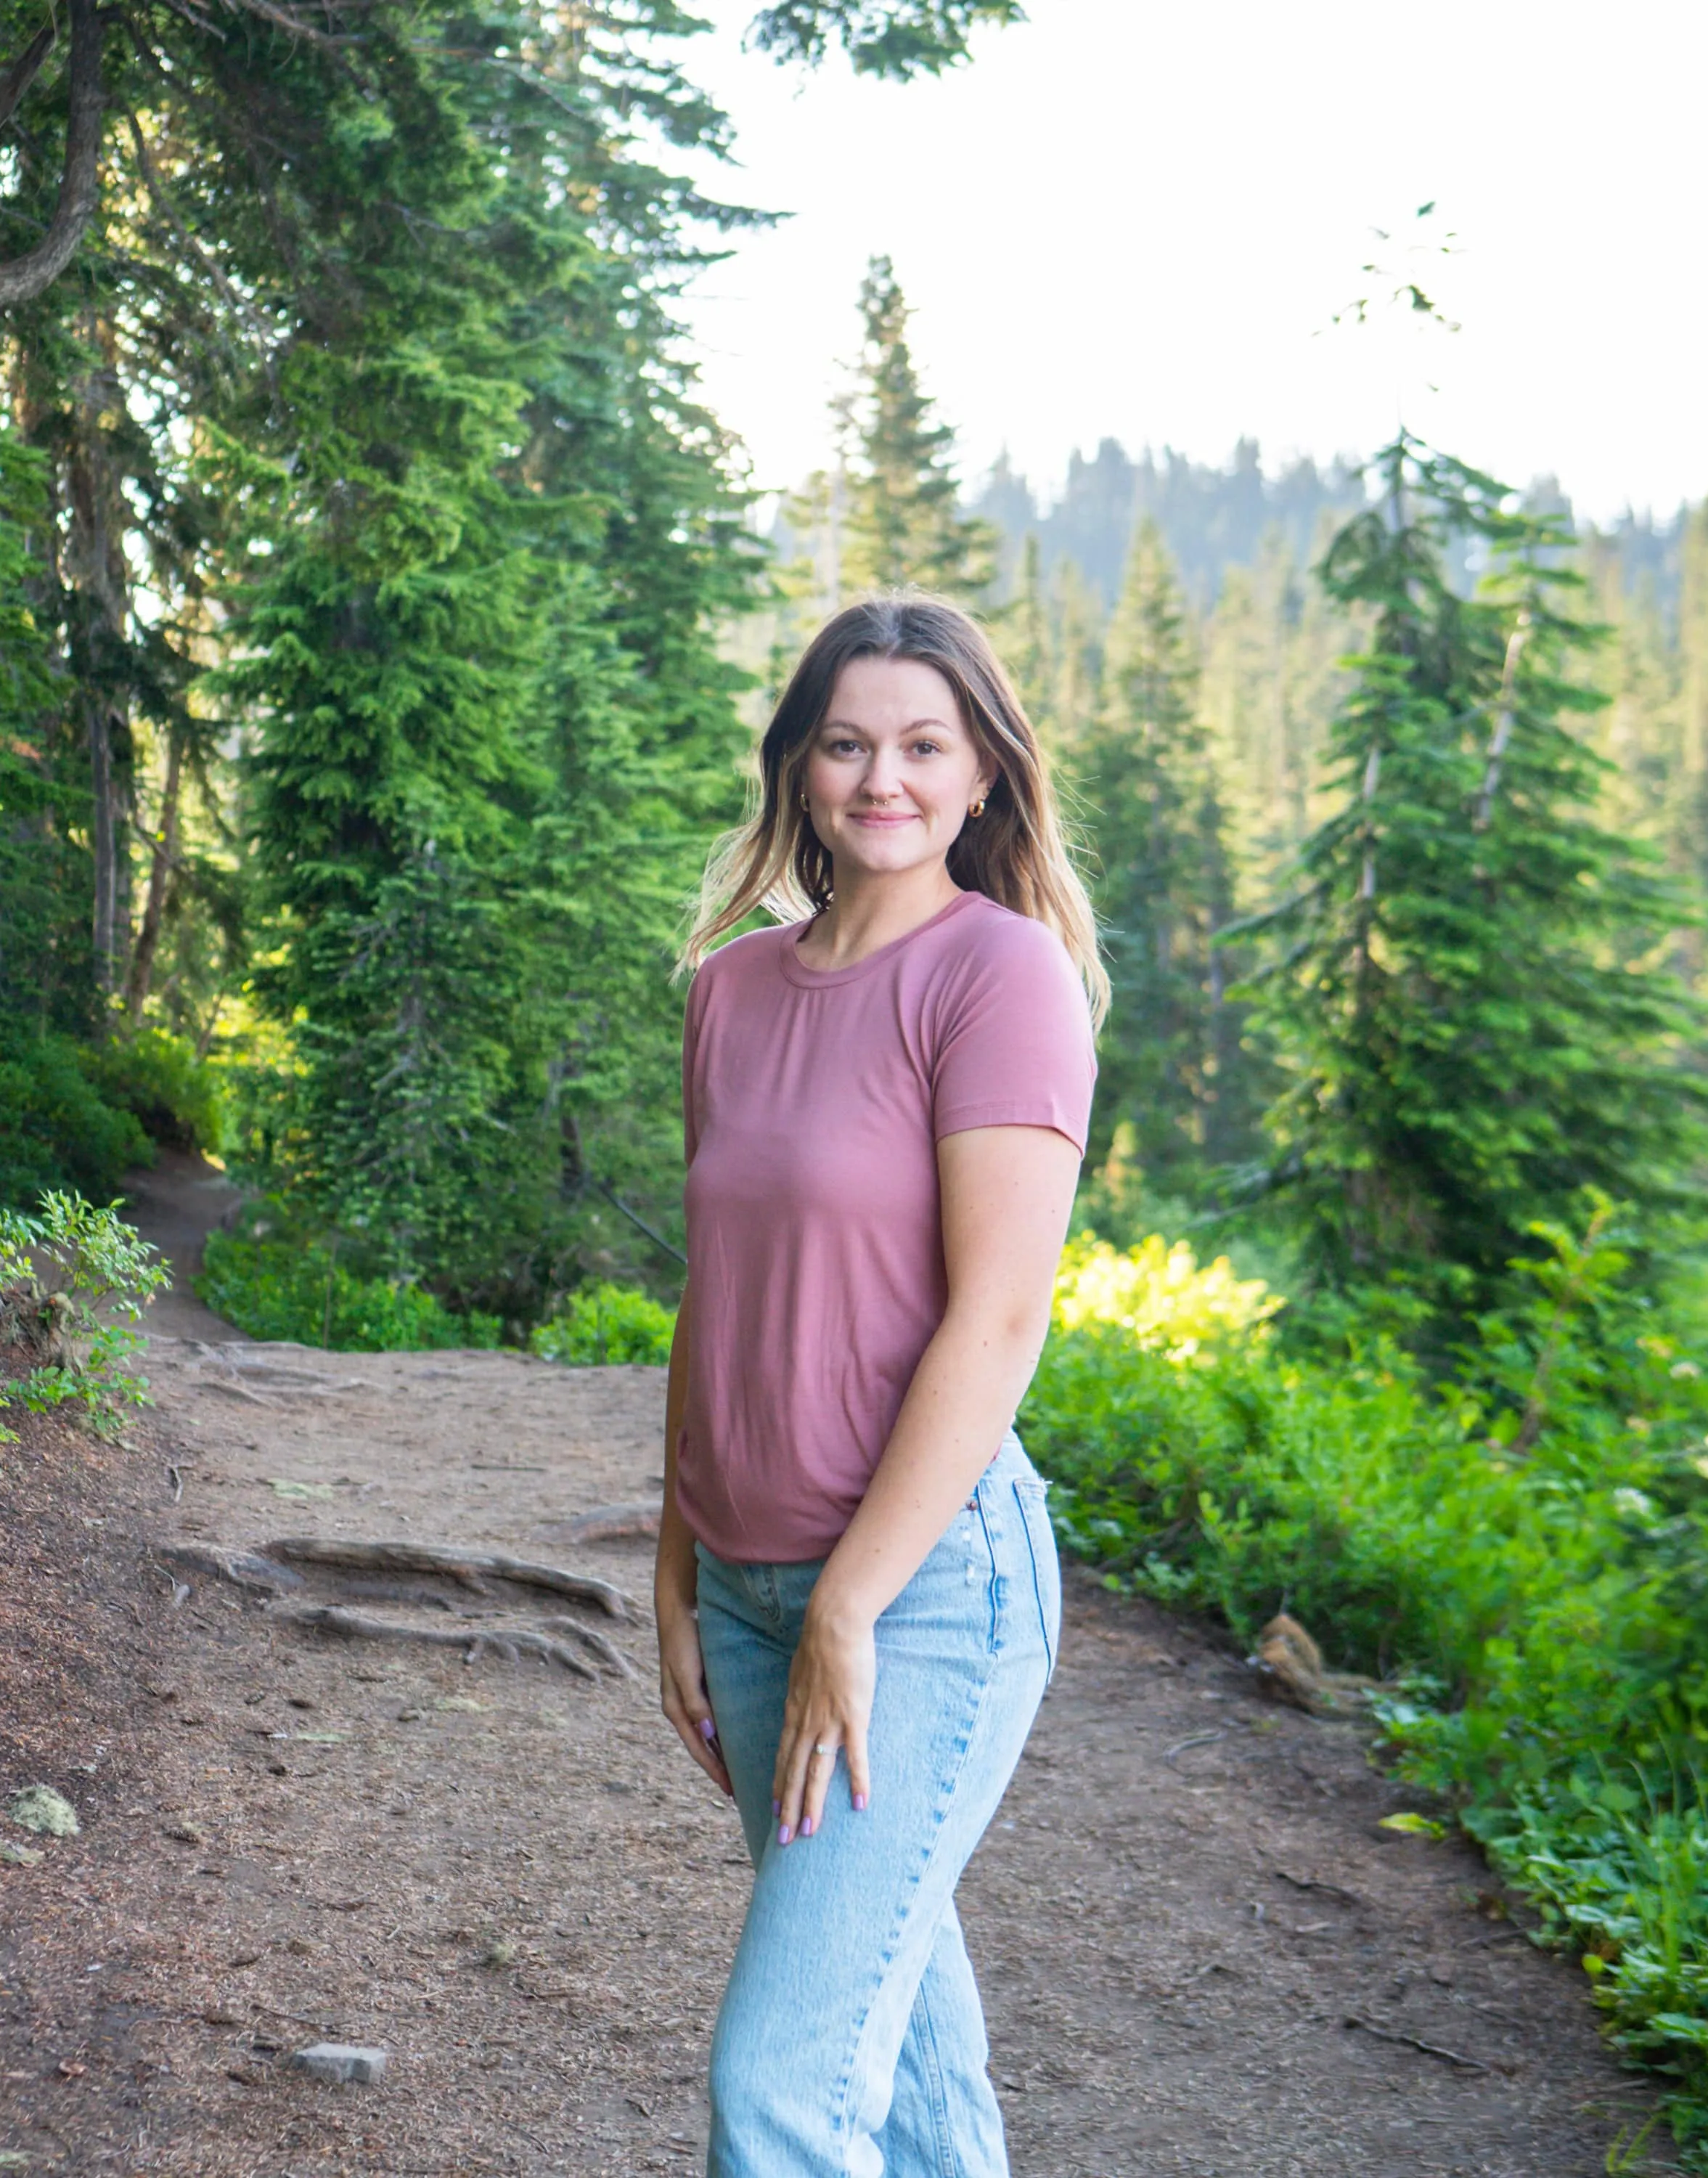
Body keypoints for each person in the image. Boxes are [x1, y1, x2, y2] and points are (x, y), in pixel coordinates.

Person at [658, 594, 1107, 2177]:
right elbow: (718, 1297)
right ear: (797, 767)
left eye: (924, 745)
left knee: (780, 2092)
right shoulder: (730, 990)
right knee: (903, 2064)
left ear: (984, 771)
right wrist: (675, 1572)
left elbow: (996, 1321)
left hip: (919, 1595)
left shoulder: (1001, 979)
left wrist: (849, 1602)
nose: (883, 779)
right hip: (748, 1587)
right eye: (846, 743)